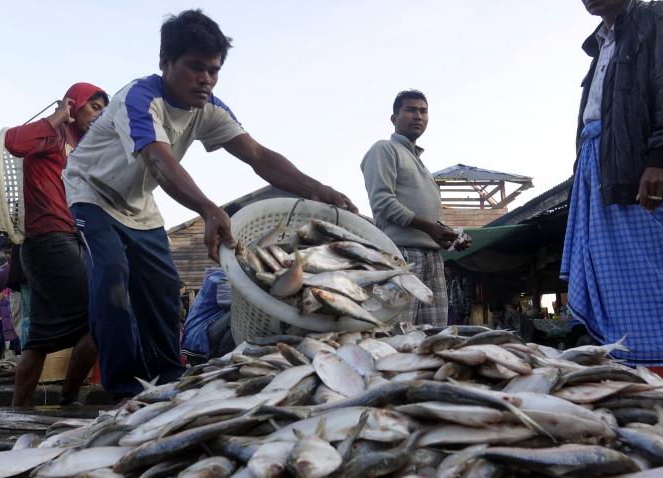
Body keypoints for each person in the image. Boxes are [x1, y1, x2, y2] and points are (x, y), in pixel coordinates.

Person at [64, 9, 357, 399]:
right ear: (166, 62)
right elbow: (158, 160)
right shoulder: (140, 98)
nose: (206, 79)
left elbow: (257, 155)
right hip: (92, 193)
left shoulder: (209, 108)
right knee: (113, 277)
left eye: (214, 70)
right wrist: (208, 208)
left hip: (138, 202)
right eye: (196, 67)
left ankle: (168, 375)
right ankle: (121, 387)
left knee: (165, 286)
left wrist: (316, 188)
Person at [561, 0, 663, 379]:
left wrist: (661, 158)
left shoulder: (659, 15)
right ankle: (624, 379)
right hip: (597, 164)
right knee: (609, 281)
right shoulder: (600, 44)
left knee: (655, 273)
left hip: (637, 164)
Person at [4, 82, 108, 407]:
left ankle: (19, 408)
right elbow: (13, 141)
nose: (100, 114)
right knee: (102, 316)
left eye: (104, 110)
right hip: (50, 239)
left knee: (39, 339)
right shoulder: (53, 134)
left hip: (59, 241)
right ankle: (69, 398)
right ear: (74, 105)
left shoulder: (81, 148)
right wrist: (57, 117)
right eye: (94, 106)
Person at [361, 90, 471, 327]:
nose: (418, 116)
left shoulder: (420, 162)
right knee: (398, 331)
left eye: (423, 111)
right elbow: (382, 202)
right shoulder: (384, 149)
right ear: (394, 118)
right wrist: (430, 228)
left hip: (433, 257)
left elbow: (429, 219)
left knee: (434, 333)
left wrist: (450, 237)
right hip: (401, 254)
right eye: (410, 110)